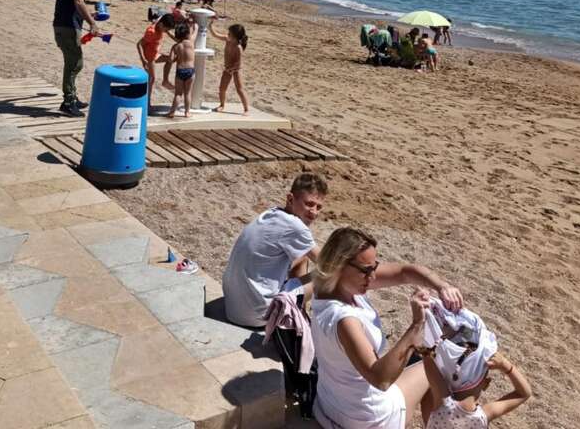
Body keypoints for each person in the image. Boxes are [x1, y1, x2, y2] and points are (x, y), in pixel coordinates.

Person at [310, 227, 465, 429]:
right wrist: (417, 324)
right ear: (339, 265)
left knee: (423, 360)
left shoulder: (328, 288)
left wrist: (442, 286)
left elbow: (404, 272)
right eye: (366, 270)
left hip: (330, 405)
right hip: (366, 419)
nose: (372, 277)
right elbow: (380, 379)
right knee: (439, 365)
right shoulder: (345, 319)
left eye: (374, 267)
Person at [222, 173, 328, 327]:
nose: (314, 212)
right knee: (328, 274)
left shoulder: (271, 214)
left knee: (302, 257)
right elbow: (326, 263)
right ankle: (298, 318)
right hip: (257, 315)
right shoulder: (295, 227)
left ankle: (296, 311)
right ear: (290, 199)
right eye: (309, 204)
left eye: (319, 207)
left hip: (232, 309)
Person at [421, 348, 531, 429]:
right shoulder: (482, 417)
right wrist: (506, 366)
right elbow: (524, 394)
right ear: (486, 383)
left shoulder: (442, 400)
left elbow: (426, 350)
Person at [52, 0, 103, 117]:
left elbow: (74, 4)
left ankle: (71, 97)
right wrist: (92, 23)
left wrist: (90, 15)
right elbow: (79, 1)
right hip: (67, 27)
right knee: (74, 64)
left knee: (74, 63)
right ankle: (68, 103)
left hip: (64, 25)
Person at [210, 21, 249, 114]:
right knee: (222, 88)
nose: (227, 34)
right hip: (227, 68)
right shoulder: (227, 39)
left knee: (239, 89)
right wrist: (210, 26)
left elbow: (238, 63)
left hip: (235, 70)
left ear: (235, 36)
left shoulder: (238, 47)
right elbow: (215, 35)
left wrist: (231, 69)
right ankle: (222, 105)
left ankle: (246, 109)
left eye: (229, 33)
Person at [137, 14, 174, 98]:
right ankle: (147, 102)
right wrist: (143, 60)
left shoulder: (161, 24)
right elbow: (139, 44)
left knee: (171, 59)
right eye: (166, 29)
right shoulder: (151, 32)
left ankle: (165, 81)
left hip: (156, 54)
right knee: (151, 79)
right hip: (149, 58)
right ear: (161, 25)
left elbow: (162, 17)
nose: (166, 31)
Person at [166, 22, 196, 118]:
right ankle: (187, 112)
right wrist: (195, 25)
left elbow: (170, 60)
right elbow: (195, 32)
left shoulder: (175, 46)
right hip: (190, 71)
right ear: (187, 34)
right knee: (188, 93)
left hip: (180, 71)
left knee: (178, 94)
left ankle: (172, 112)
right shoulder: (191, 42)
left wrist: (176, 58)